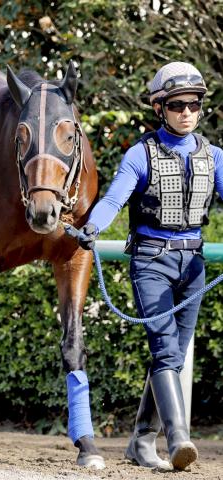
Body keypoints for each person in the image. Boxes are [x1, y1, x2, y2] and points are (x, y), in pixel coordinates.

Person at [78, 61, 223, 470]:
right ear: (160, 108)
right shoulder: (140, 155)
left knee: (173, 357)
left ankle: (141, 442)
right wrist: (92, 226)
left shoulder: (214, 157)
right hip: (151, 263)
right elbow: (112, 200)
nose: (187, 113)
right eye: (178, 105)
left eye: (194, 104)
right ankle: (178, 440)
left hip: (193, 265)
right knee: (164, 349)